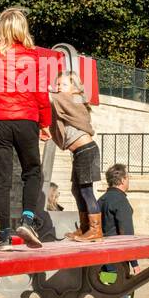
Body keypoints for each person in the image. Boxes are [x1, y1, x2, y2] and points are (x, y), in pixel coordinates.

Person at [0, 7, 51, 250]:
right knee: (32, 172)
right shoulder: (33, 56)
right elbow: (41, 93)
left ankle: (4, 234)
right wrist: (45, 122)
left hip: (0, 121)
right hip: (26, 119)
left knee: (2, 180)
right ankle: (27, 219)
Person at [48, 70, 103, 242]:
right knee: (76, 190)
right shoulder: (67, 101)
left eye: (63, 84)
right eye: (58, 84)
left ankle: (96, 230)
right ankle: (85, 227)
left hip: (86, 150)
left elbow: (50, 97)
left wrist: (47, 90)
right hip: (80, 152)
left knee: (86, 191)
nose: (59, 88)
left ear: (74, 87)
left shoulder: (73, 99)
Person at [88, 164, 137, 298]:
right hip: (117, 262)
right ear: (123, 180)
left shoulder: (101, 200)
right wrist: (134, 261)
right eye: (128, 178)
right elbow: (126, 234)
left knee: (121, 295)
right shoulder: (120, 201)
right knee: (120, 295)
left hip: (102, 261)